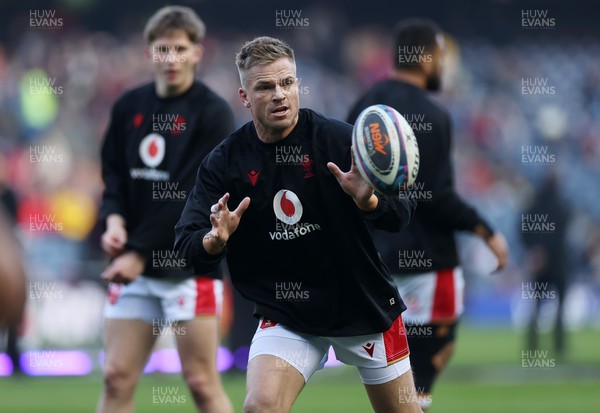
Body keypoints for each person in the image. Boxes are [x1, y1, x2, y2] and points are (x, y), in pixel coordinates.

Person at [175, 36, 423, 413]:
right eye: (265, 87)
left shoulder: (339, 140)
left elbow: (400, 215)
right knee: (260, 407)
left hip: (362, 304)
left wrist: (368, 200)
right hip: (288, 314)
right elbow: (186, 246)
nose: (279, 94)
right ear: (244, 96)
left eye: (287, 83)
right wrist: (214, 240)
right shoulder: (224, 163)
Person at [347, 19, 508, 411]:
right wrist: (485, 229)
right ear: (427, 58)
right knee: (430, 359)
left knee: (400, 367)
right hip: (430, 264)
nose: (444, 66)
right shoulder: (433, 115)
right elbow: (437, 197)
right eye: (441, 57)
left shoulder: (363, 106)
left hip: (380, 262)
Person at [97, 6, 234, 413]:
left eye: (179, 48)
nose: (170, 58)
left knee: (200, 381)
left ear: (197, 52)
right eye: (162, 49)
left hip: (192, 269)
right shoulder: (128, 107)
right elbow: (115, 178)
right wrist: (115, 223)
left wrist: (137, 252)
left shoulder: (213, 113)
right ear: (148, 54)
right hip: (134, 265)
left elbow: (187, 194)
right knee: (116, 377)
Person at [521, 172, 569, 357]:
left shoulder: (533, 207)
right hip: (557, 264)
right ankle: (559, 346)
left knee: (536, 306)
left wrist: (535, 250)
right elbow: (561, 233)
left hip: (539, 265)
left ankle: (532, 346)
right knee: (560, 307)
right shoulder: (561, 206)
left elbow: (523, 230)